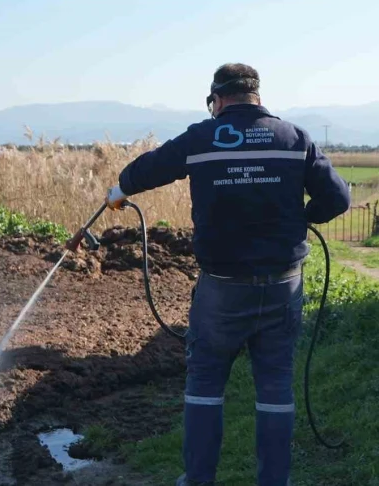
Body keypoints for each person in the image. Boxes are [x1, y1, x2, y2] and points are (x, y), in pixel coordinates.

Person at [105, 63, 350, 486]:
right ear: (257, 96)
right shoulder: (294, 138)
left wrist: (119, 190)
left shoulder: (202, 137)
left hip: (222, 288)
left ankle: (199, 480)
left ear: (216, 100)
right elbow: (339, 198)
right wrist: (302, 218)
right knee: (275, 386)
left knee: (204, 383)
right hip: (282, 285)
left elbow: (149, 168)